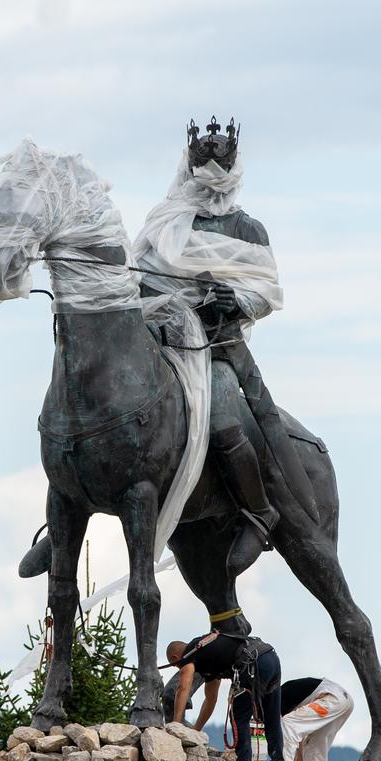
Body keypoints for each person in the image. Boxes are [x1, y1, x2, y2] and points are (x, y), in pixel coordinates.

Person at [132, 116, 295, 576]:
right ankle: (63, 516)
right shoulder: (162, 222)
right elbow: (136, 278)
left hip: (213, 347)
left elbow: (266, 293)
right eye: (202, 164)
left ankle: (259, 512)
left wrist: (234, 297)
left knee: (223, 421)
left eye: (218, 166)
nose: (210, 178)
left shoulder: (248, 228)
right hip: (157, 338)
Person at [166, 630, 283, 761]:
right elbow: (211, 700)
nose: (180, 669)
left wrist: (176, 725)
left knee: (239, 717)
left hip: (251, 663)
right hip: (270, 657)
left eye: (176, 666)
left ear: (175, 658)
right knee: (272, 717)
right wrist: (196, 731)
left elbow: (183, 687)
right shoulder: (208, 655)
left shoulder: (190, 653)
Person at [278, 677, 354, 761]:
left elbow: (289, 733)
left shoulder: (276, 702)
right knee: (315, 746)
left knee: (288, 724)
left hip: (331, 698)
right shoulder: (286, 696)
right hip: (345, 701)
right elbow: (299, 749)